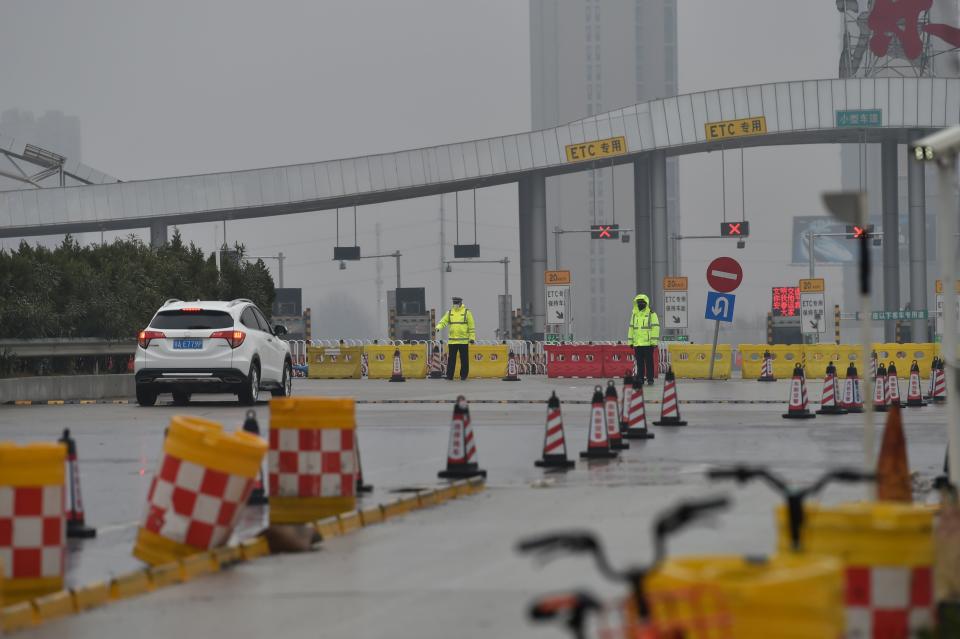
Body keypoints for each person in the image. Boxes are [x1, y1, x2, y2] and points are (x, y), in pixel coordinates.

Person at [435, 296, 476, 380]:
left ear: (461, 303)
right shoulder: (450, 312)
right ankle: (449, 376)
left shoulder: (467, 312)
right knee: (451, 360)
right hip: (453, 341)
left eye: (457, 303)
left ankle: (463, 376)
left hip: (463, 341)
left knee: (464, 360)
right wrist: (438, 327)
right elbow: (443, 321)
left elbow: (471, 327)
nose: (455, 304)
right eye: (454, 303)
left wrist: (472, 338)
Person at [628, 293, 660, 385]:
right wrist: (630, 342)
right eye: (639, 302)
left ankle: (650, 379)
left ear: (646, 303)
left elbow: (655, 328)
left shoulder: (651, 314)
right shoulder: (634, 315)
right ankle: (640, 379)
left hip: (648, 344)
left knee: (649, 363)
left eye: (642, 302)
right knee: (640, 363)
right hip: (637, 344)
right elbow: (631, 328)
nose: (640, 304)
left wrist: (654, 342)